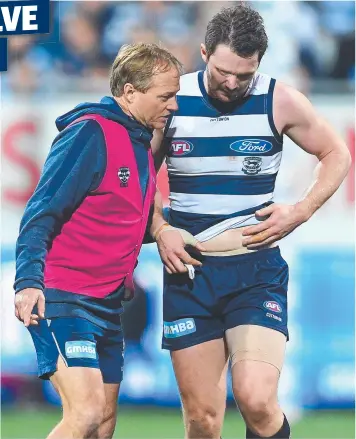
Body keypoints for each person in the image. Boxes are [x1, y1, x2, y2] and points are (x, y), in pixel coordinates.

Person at [150, 5, 351, 439]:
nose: (232, 83)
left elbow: (337, 154)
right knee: (203, 419)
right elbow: (138, 177)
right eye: (224, 71)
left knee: (257, 399)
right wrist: (160, 228)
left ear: (260, 60)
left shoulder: (279, 99)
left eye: (244, 74)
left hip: (255, 270)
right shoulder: (171, 101)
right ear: (204, 52)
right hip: (189, 273)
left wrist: (300, 210)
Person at [14, 42, 181, 439]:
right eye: (165, 96)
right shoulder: (90, 134)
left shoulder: (141, 145)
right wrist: (27, 282)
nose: (173, 105)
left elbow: (122, 224)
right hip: (62, 297)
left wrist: (168, 231)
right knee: (85, 414)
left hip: (106, 307)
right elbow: (41, 212)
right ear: (129, 92)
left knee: (103, 424)